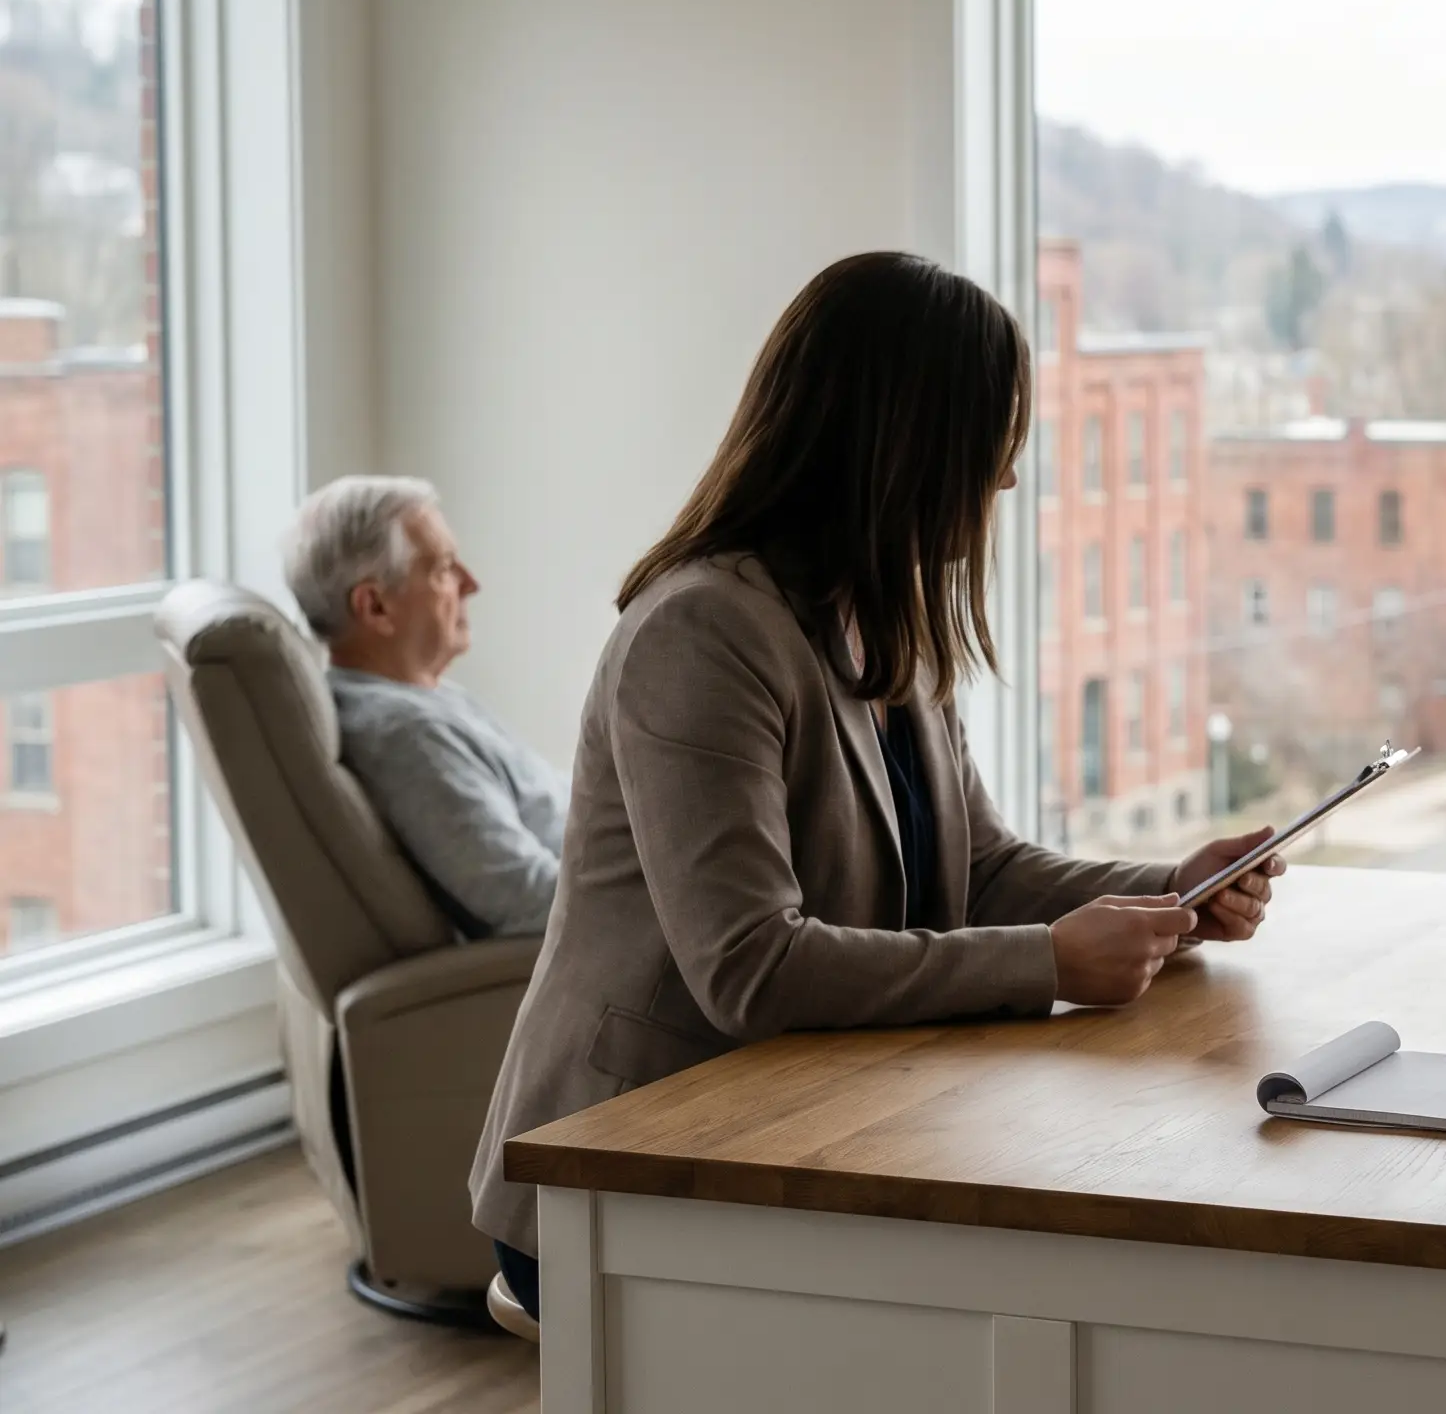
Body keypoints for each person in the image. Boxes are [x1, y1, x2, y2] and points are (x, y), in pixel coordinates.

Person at [468, 253, 1283, 1321]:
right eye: (992, 446)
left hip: (805, 1116)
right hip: (633, 1165)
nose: (1004, 482)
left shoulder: (885, 613)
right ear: (903, 444)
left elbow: (977, 866)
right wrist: (1049, 961)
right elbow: (750, 969)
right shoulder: (701, 632)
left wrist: (1169, 890)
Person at [285, 476, 566, 939]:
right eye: (443, 569)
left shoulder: (421, 697)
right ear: (375, 606)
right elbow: (528, 899)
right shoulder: (405, 735)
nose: (471, 584)